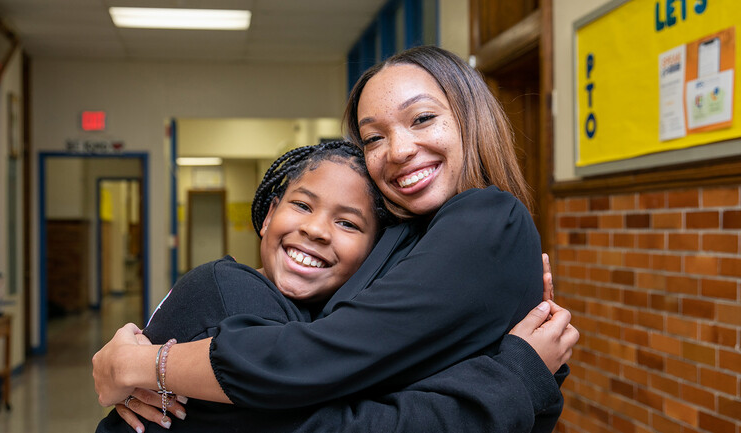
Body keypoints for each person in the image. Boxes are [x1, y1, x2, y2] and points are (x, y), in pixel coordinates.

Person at [93, 45, 579, 432]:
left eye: (423, 118)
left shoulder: (486, 216)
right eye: (374, 138)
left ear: (471, 118)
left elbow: (316, 360)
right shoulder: (414, 235)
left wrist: (145, 365)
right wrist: (521, 378)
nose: (399, 150)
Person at [96, 140, 394, 432]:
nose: (315, 230)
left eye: (347, 223)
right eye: (302, 205)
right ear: (268, 216)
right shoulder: (232, 295)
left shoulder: (318, 315)